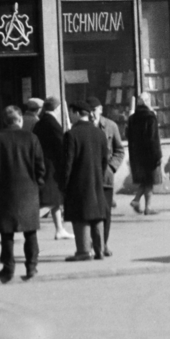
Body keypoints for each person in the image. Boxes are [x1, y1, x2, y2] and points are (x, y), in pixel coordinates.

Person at [0, 105, 46, 282]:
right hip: (28, 191)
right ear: (20, 120)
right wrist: (38, 184)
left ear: (4, 121)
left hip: (5, 192)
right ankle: (32, 266)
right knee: (30, 232)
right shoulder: (32, 138)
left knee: (7, 233)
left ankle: (8, 267)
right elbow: (40, 165)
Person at [62, 104, 110, 261]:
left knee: (80, 215)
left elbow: (67, 162)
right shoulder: (99, 133)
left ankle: (83, 251)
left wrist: (64, 183)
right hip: (96, 180)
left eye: (70, 112)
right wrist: (99, 175)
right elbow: (105, 159)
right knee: (97, 214)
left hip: (78, 182)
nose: (70, 115)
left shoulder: (72, 134)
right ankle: (100, 250)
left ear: (76, 113)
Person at [89, 97, 125, 257]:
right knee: (90, 212)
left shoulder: (110, 126)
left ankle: (104, 244)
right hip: (88, 176)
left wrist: (111, 168)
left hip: (105, 177)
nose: (91, 114)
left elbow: (119, 150)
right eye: (88, 111)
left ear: (100, 109)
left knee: (105, 212)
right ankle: (92, 244)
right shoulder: (85, 126)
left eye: (94, 110)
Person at [34, 96, 71, 240]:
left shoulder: (40, 122)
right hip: (53, 166)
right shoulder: (53, 123)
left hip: (42, 163)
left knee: (54, 198)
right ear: (57, 108)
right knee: (54, 199)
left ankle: (59, 229)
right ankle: (29, 219)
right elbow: (61, 145)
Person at [126, 94, 163, 214]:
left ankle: (140, 202)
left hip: (137, 155)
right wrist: (157, 155)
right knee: (149, 181)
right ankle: (146, 206)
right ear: (147, 102)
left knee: (145, 181)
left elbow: (128, 136)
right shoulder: (150, 117)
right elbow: (153, 138)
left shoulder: (132, 118)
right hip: (149, 154)